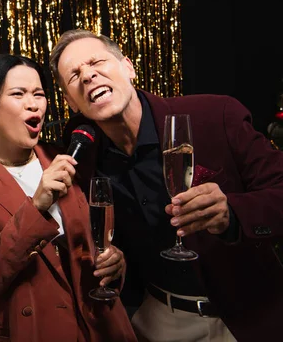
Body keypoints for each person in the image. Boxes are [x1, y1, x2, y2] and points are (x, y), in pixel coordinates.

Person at [45, 29, 283, 341]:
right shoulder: (86, 160)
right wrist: (116, 262)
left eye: (96, 62)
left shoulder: (215, 115)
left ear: (128, 68)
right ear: (69, 100)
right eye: (74, 75)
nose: (88, 75)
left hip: (251, 315)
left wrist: (232, 214)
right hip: (162, 320)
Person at [0, 53, 137, 341]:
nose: (33, 104)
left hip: (102, 327)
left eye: (39, 94)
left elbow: (96, 242)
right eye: (18, 94)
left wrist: (116, 263)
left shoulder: (67, 158)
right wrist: (37, 205)